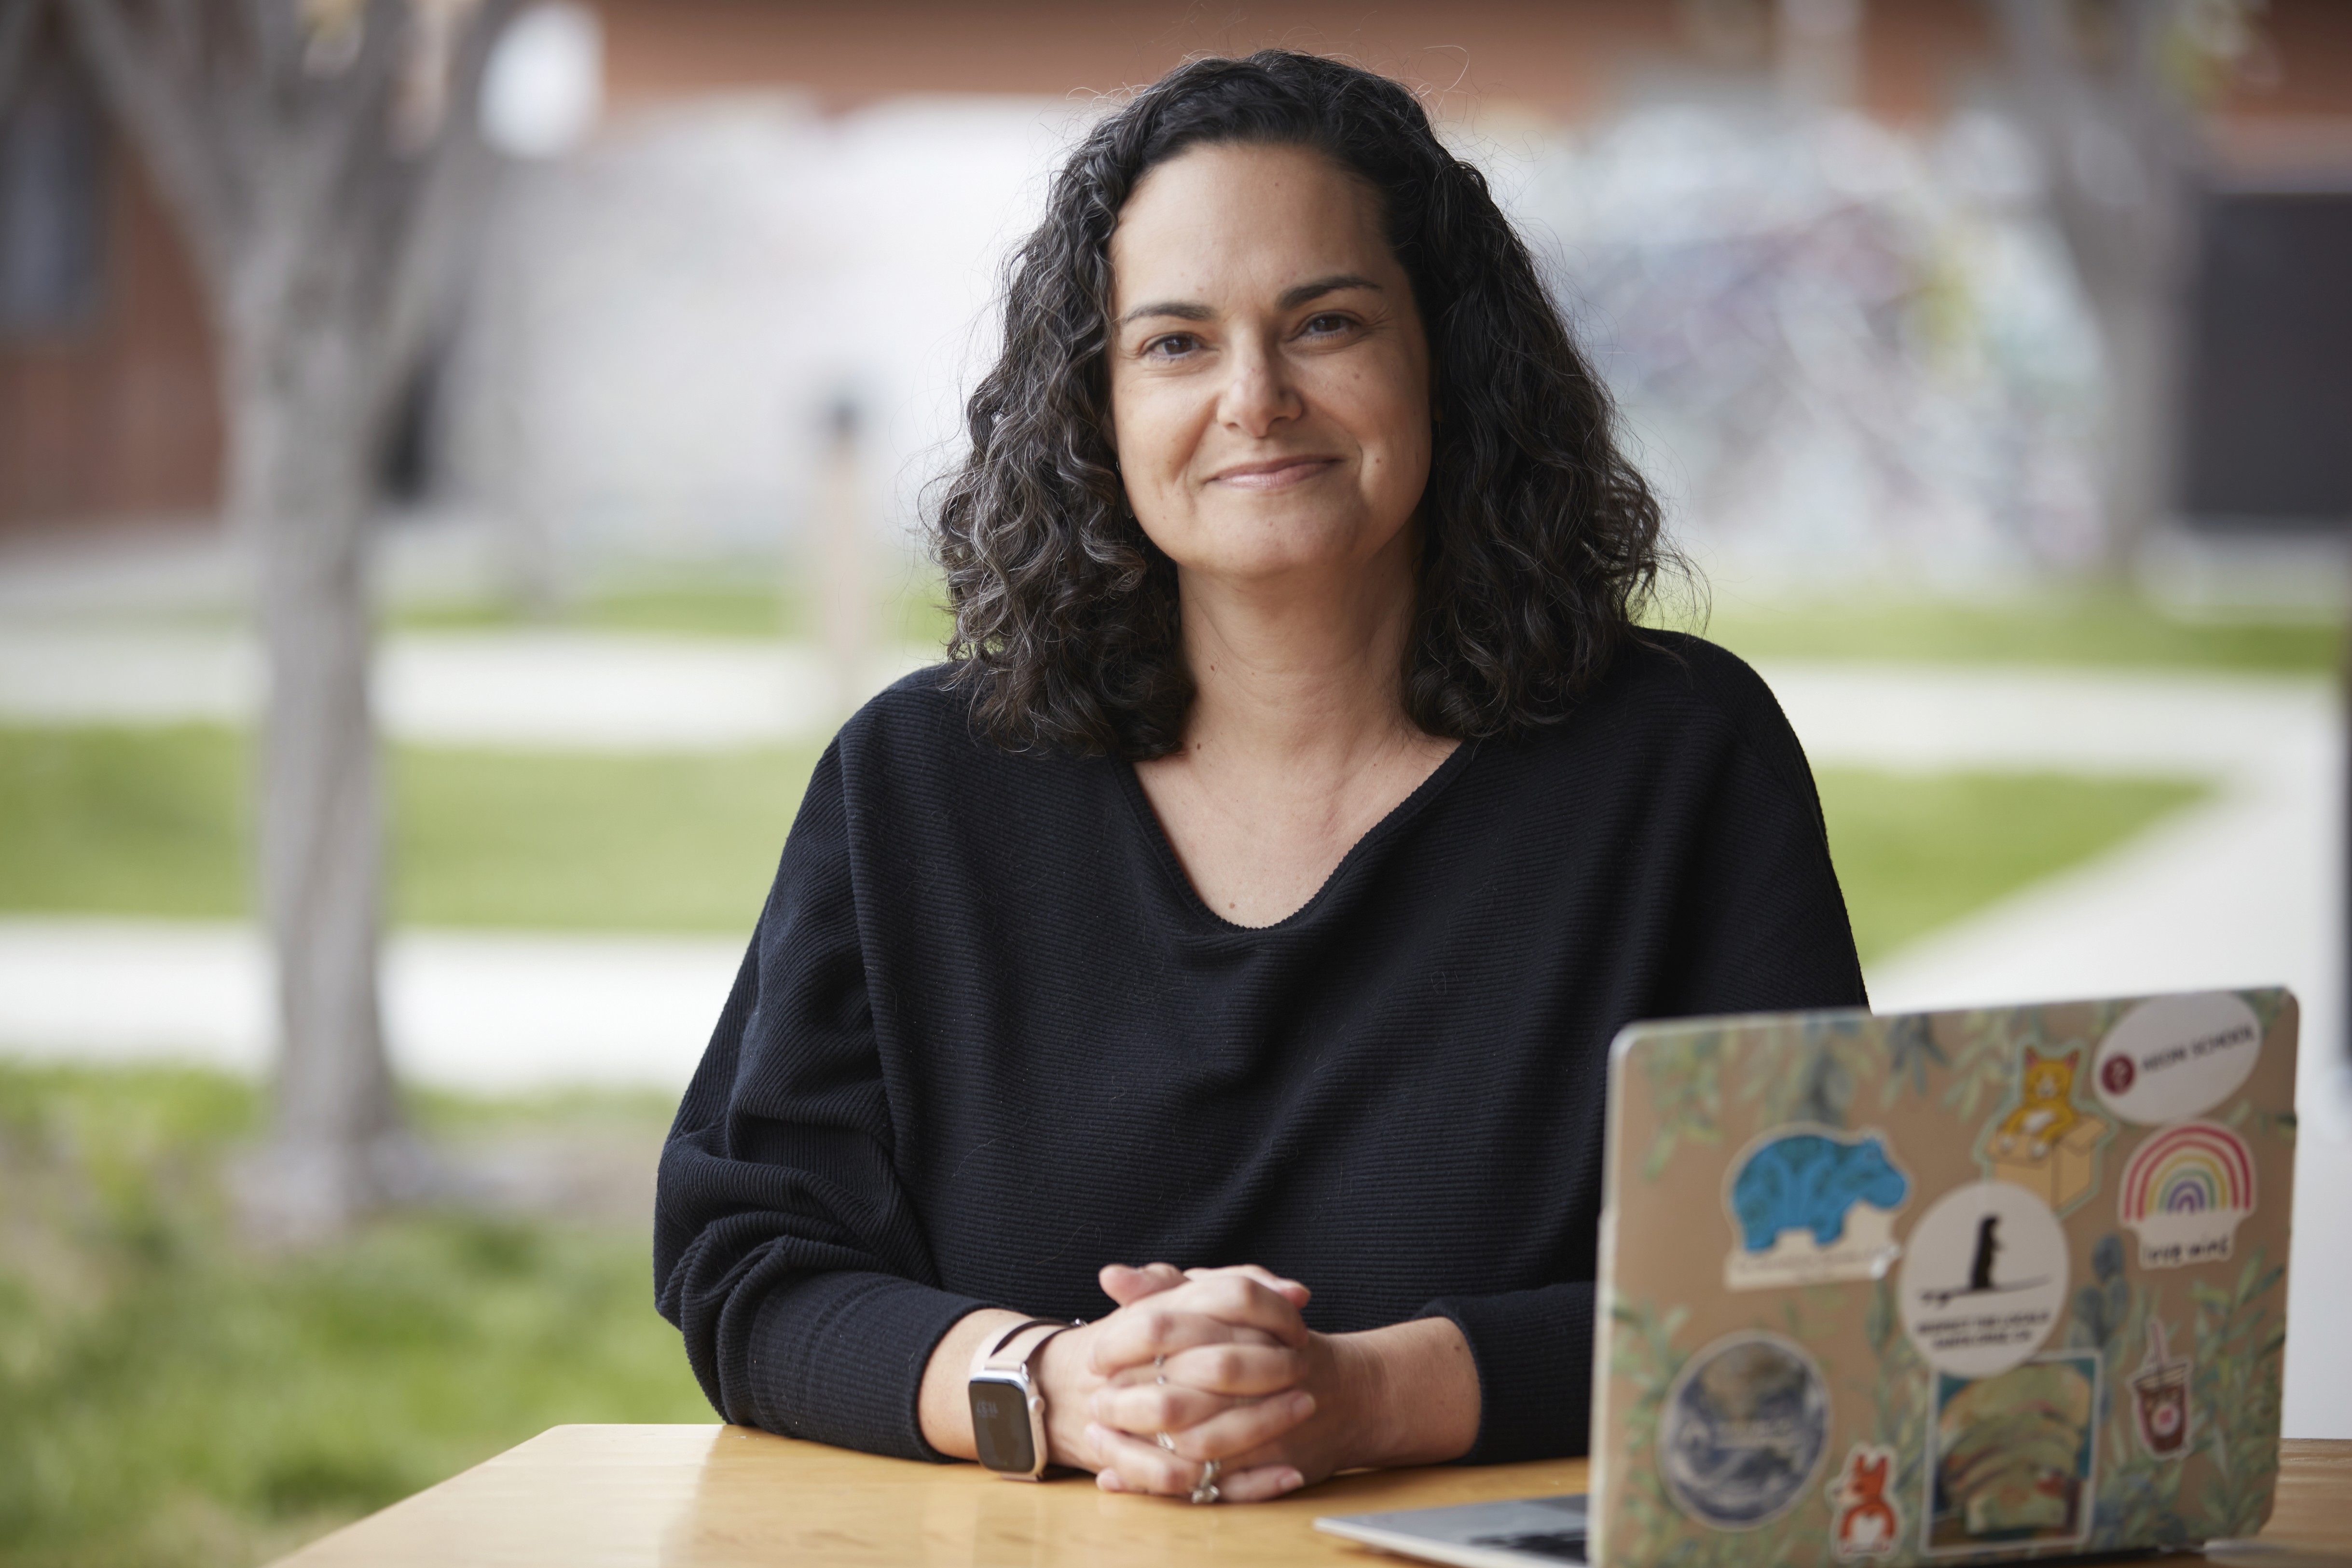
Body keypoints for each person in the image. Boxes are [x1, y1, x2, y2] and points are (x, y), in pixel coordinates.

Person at [654, 49, 1865, 1504]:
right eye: (1174, 343)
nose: (1253, 397)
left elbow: (1809, 1281)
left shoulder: (1679, 762)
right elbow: (748, 1263)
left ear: (1446, 356)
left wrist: (1366, 1395)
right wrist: (1049, 1383)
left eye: (1326, 322)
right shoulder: (913, 783)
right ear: (1095, 401)